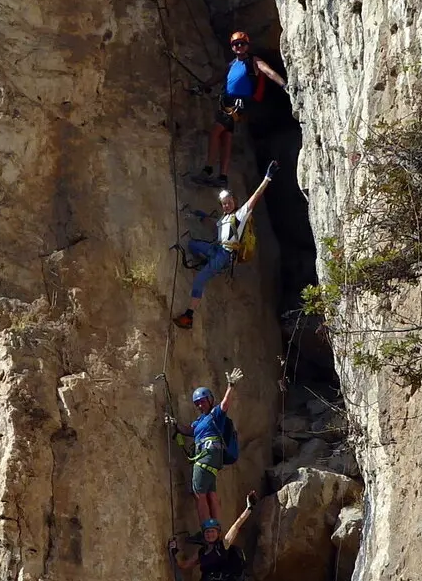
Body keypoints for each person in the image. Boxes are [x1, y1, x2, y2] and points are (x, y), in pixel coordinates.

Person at [174, 169, 273, 330]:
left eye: (229, 202)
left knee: (199, 280)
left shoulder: (240, 216)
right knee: (193, 245)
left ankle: (189, 316)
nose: (227, 205)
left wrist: (267, 178)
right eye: (224, 203)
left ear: (234, 201)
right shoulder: (224, 217)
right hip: (216, 249)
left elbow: (255, 197)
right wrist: (203, 216)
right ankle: (207, 262)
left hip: (224, 256)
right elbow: (218, 226)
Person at [200, 31, 287, 186]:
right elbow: (218, 76)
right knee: (226, 137)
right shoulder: (232, 64)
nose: (239, 46)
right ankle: (223, 177)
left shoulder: (253, 61)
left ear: (247, 45)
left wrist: (283, 84)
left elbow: (268, 71)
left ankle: (207, 169)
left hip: (239, 104)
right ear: (232, 47)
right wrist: (203, 86)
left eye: (242, 43)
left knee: (215, 131)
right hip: (226, 102)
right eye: (236, 44)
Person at [165, 369, 239, 524]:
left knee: (199, 494)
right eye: (197, 403)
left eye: (202, 401)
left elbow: (225, 404)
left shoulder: (215, 415)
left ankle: (207, 529)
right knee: (210, 494)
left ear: (210, 400)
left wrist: (230, 385)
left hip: (206, 457)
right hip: (210, 460)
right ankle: (215, 527)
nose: (199, 404)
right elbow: (189, 430)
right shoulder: (199, 421)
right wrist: (175, 424)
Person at [169, 491, 257, 581]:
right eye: (207, 532)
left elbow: (236, 526)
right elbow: (184, 566)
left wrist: (248, 509)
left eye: (212, 531)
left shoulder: (222, 546)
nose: (210, 534)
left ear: (218, 533)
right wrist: (172, 553)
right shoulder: (201, 552)